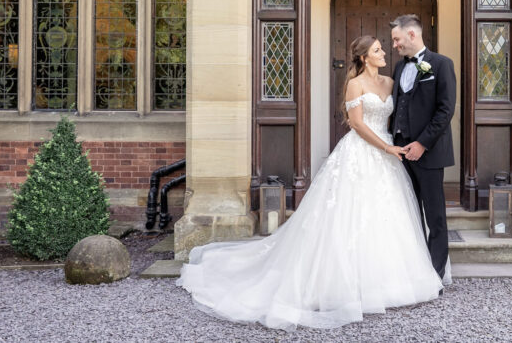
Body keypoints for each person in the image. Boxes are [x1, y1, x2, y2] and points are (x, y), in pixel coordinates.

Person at [177, 35, 446, 331]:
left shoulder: (390, 82)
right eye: (377, 50)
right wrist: (387, 148)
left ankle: (389, 281)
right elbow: (357, 124)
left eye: (382, 48)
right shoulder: (355, 84)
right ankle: (344, 284)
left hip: (389, 156)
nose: (384, 53)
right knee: (348, 216)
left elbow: (403, 113)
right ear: (363, 57)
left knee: (388, 217)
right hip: (362, 153)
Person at [389, 13, 456, 281]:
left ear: (412, 35)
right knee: (408, 213)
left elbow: (445, 110)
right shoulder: (398, 67)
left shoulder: (441, 64)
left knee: (435, 216)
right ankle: (414, 270)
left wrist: (422, 143)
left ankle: (435, 275)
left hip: (428, 153)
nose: (394, 44)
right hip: (401, 152)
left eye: (397, 39)